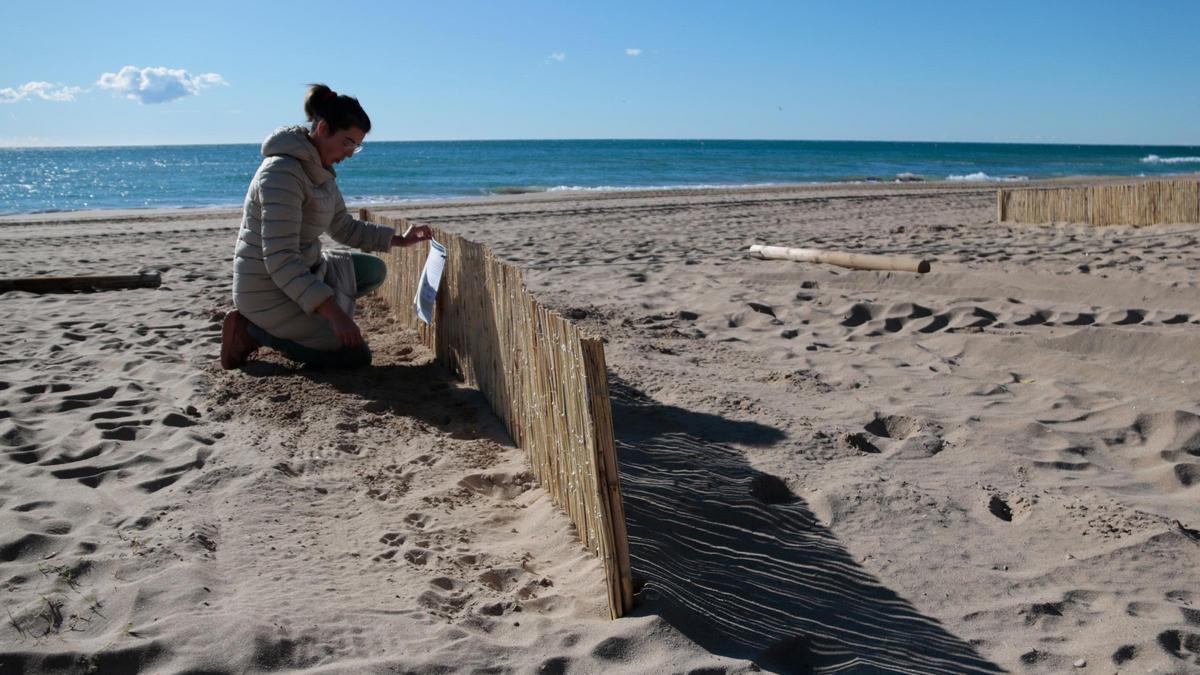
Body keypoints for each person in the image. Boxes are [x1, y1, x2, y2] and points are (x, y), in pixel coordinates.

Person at [221, 83, 431, 370]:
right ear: (322, 129)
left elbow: (343, 226)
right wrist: (335, 314)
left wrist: (399, 240)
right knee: (354, 357)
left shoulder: (321, 170)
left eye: (355, 146)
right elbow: (280, 260)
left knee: (372, 270)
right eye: (347, 142)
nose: (349, 153)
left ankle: (308, 320)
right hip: (265, 288)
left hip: (304, 270)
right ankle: (251, 329)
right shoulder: (280, 173)